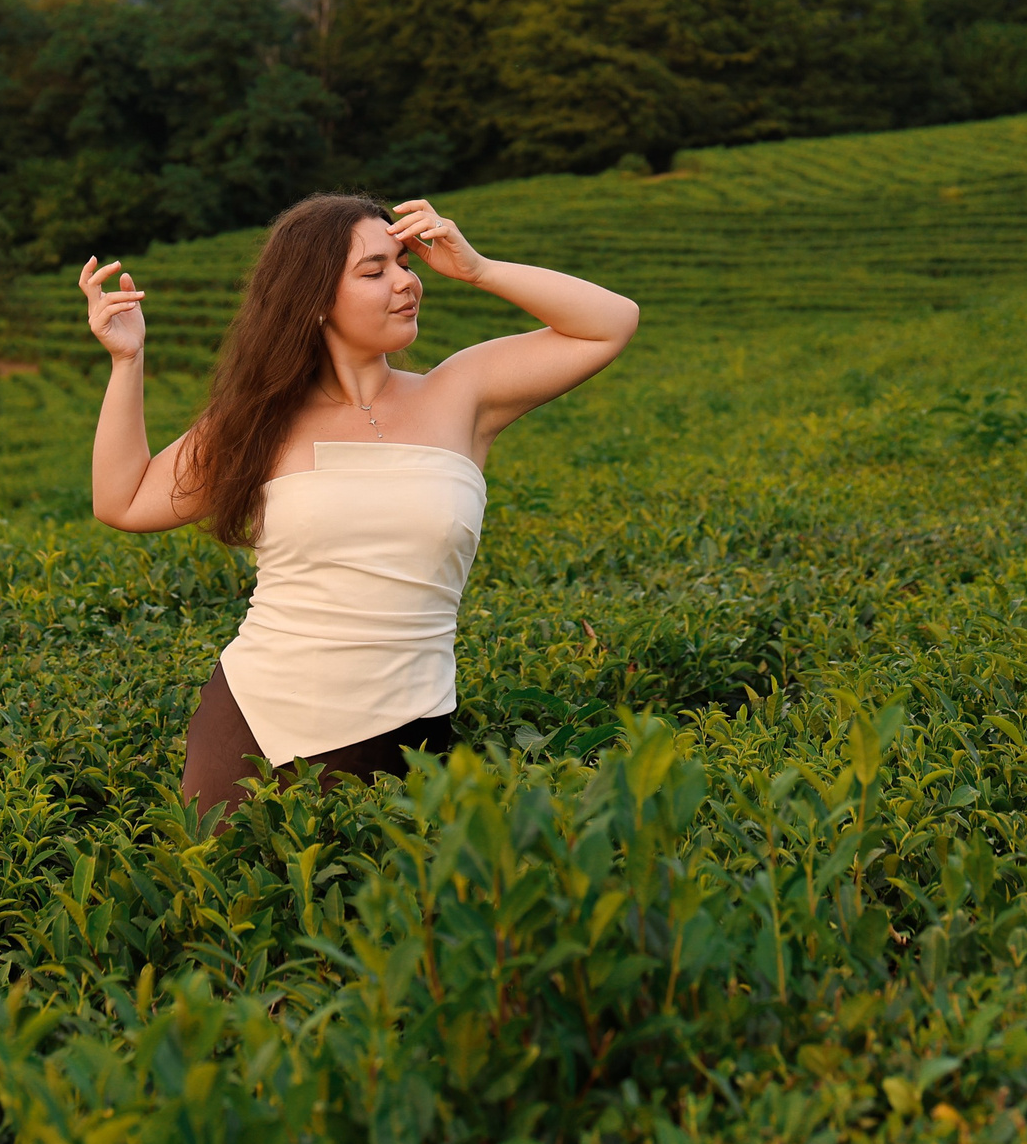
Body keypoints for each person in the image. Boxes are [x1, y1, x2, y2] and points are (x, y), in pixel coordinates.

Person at [80, 192, 640, 814]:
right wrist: (126, 361)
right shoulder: (260, 422)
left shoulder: (459, 393)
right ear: (314, 301)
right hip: (253, 725)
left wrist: (477, 268)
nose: (405, 283)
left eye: (405, 264)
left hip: (407, 726)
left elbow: (611, 322)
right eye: (374, 272)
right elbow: (123, 501)